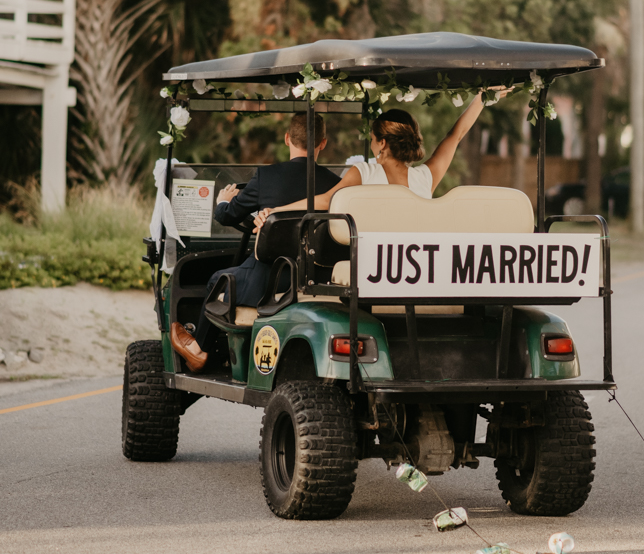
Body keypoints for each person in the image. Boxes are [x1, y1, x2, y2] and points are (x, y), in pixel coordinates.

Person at [170, 111, 340, 371]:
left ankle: (201, 351)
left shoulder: (266, 178)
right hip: (314, 277)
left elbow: (226, 217)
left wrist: (223, 201)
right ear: (323, 143)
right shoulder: (334, 184)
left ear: (286, 139)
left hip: (267, 281)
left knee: (218, 278)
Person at [253, 91, 505, 231]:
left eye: (372, 138)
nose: (372, 143)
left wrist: (275, 210)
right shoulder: (425, 178)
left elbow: (328, 200)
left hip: (375, 266)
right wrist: (482, 98)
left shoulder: (363, 173)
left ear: (382, 143)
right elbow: (456, 135)